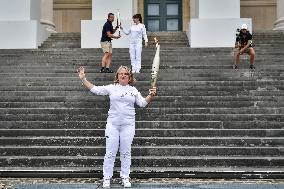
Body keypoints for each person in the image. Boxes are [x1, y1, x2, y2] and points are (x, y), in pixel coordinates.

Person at [77, 65, 157, 188]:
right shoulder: (111, 88)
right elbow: (95, 89)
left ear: (129, 76)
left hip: (128, 125)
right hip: (112, 125)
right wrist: (83, 79)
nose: (123, 75)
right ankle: (107, 178)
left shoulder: (133, 90)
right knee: (110, 152)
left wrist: (151, 95)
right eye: (121, 74)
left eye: (125, 74)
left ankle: (125, 177)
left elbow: (142, 103)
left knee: (126, 152)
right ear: (117, 76)